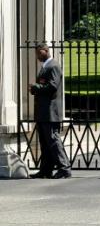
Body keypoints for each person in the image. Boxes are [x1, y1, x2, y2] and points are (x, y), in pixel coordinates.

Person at [30, 43, 71, 179]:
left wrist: (36, 87)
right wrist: (36, 89)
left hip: (50, 112)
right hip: (43, 112)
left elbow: (53, 86)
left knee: (53, 140)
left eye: (38, 53)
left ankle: (64, 168)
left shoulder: (53, 66)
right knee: (45, 142)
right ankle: (46, 170)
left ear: (45, 51)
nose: (36, 56)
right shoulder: (46, 66)